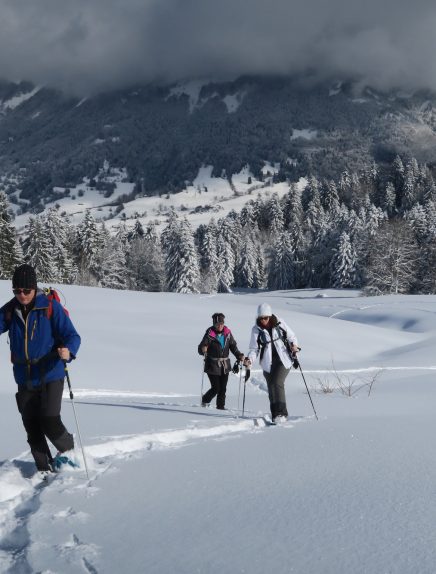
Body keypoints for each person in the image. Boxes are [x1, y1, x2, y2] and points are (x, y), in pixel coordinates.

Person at [0, 264, 81, 474]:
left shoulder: (49, 308)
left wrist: (68, 351)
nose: (22, 295)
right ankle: (44, 470)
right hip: (24, 377)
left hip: (50, 373)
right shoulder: (10, 309)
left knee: (50, 420)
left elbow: (73, 336)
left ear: (34, 288)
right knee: (32, 426)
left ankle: (71, 456)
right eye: (17, 291)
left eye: (26, 290)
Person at [244, 303, 299, 423]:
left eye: (265, 318)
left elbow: (292, 337)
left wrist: (294, 346)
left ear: (269, 316)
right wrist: (250, 359)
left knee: (277, 382)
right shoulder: (256, 330)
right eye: (261, 318)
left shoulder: (280, 323)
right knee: (271, 387)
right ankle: (275, 415)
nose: (263, 320)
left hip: (283, 360)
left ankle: (281, 414)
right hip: (267, 363)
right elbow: (254, 349)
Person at [198, 312, 244, 410]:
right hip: (212, 365)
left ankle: (220, 408)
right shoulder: (210, 334)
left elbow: (233, 347)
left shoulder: (227, 333)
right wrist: (203, 348)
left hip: (225, 365)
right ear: (214, 324)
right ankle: (205, 400)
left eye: (221, 324)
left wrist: (239, 355)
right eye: (217, 324)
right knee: (216, 388)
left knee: (223, 388)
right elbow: (200, 348)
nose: (220, 326)